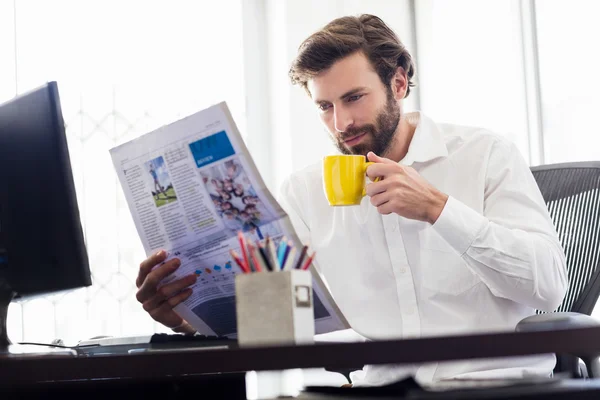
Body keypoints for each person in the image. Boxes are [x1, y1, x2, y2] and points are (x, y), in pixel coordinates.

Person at [134, 14, 567, 386]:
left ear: (398, 83)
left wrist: (438, 209)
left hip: (495, 387)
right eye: (325, 106)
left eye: (353, 98)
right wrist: (185, 321)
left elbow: (547, 285)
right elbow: (277, 323)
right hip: (380, 390)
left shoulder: (485, 154)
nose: (341, 123)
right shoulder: (304, 193)